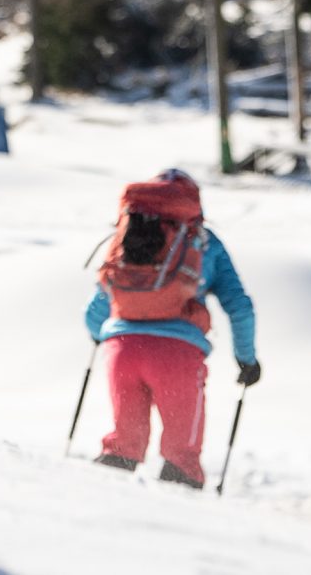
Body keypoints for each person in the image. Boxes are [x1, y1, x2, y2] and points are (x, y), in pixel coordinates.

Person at [83, 169, 260, 487]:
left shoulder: (127, 234)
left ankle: (98, 519)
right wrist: (246, 359)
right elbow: (239, 306)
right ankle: (180, 530)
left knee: (121, 449)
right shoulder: (203, 241)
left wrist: (99, 335)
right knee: (182, 460)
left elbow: (101, 299)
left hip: (122, 349)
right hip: (177, 356)